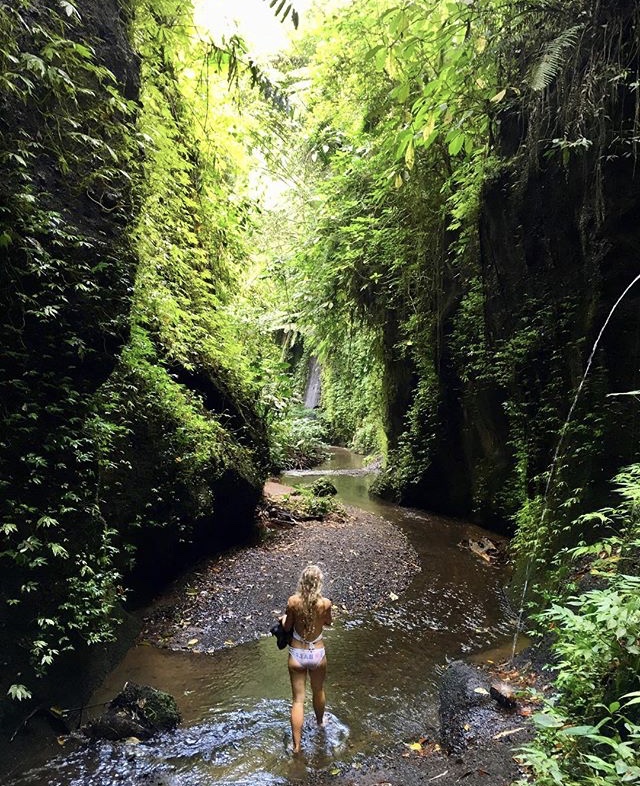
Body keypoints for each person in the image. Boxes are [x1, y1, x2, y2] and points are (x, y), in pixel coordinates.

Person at [281, 564, 332, 754]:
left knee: (298, 700)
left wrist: (282, 619)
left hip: (297, 653)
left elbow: (287, 627)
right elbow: (328, 622)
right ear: (319, 583)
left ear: (302, 582)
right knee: (318, 690)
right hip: (317, 653)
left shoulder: (293, 602)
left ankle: (296, 747)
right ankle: (320, 723)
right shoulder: (325, 603)